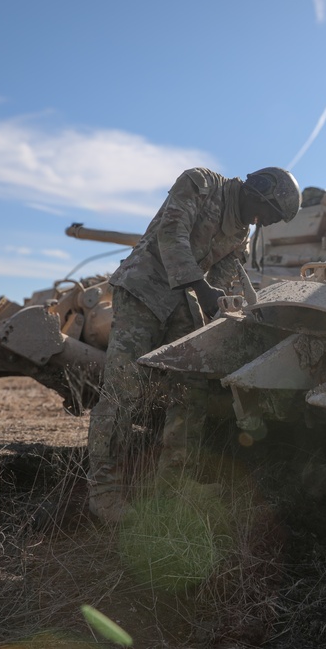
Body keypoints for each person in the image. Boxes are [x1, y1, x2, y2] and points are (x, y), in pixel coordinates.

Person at [88, 166, 302, 522]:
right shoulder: (200, 184)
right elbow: (171, 235)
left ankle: (173, 483)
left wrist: (223, 307)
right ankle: (104, 492)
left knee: (191, 390)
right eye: (267, 213)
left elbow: (224, 277)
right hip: (143, 289)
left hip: (183, 303)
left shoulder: (242, 233)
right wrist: (202, 289)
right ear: (257, 190)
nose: (262, 221)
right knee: (121, 390)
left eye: (271, 220)